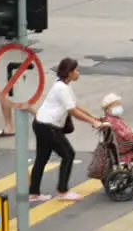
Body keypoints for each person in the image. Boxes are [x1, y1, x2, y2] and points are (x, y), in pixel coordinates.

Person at [30, 58, 104, 202]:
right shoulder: (62, 88)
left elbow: (75, 105)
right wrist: (92, 122)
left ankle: (33, 193)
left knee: (42, 158)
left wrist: (93, 116)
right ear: (69, 73)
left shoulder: (63, 86)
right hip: (48, 127)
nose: (78, 73)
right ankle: (62, 191)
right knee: (68, 154)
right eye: (76, 70)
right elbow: (73, 111)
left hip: (41, 124)